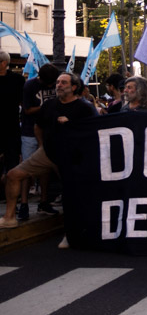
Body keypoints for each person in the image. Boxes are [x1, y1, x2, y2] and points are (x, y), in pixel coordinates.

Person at [0, 73, 97, 229]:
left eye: (64, 83)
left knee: (73, 191)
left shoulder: (85, 108)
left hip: (72, 156)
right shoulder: (49, 105)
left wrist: (71, 124)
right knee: (13, 175)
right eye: (57, 82)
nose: (59, 85)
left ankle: (74, 229)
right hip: (48, 152)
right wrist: (41, 145)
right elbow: (38, 126)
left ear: (73, 87)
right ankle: (9, 217)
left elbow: (94, 132)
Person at [15, 63, 59, 221]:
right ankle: (24, 204)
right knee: (26, 168)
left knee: (45, 168)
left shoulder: (57, 82)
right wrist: (48, 107)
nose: (53, 86)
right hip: (29, 132)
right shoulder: (30, 86)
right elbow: (27, 110)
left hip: (48, 131)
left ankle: (43, 201)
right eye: (50, 84)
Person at [0, 51, 25, 184]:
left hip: (11, 127)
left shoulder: (17, 80)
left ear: (4, 63)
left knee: (12, 162)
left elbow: (23, 103)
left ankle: (11, 193)